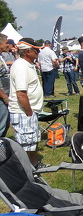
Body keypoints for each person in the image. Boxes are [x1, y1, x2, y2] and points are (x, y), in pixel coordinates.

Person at [8, 38, 44, 166]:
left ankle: (33, 166)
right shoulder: (21, 67)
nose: (38, 53)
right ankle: (27, 170)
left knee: (31, 142)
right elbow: (21, 94)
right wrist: (29, 113)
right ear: (28, 51)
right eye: (37, 51)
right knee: (26, 145)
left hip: (28, 111)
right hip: (24, 112)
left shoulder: (27, 65)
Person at [0, 34, 11, 136]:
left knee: (5, 123)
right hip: (1, 97)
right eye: (6, 42)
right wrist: (4, 97)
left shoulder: (1, 57)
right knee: (1, 124)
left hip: (5, 94)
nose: (8, 45)